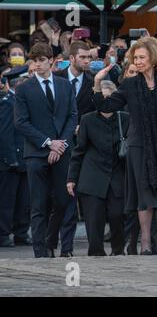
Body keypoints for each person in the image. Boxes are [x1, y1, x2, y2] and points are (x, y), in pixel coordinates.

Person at [92, 37, 157, 255]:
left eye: (142, 57)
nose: (138, 61)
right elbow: (106, 107)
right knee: (144, 192)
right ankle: (145, 240)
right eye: (135, 57)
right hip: (140, 145)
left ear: (153, 57)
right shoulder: (130, 84)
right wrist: (98, 82)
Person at [14, 43, 77, 258]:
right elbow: (21, 122)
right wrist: (49, 143)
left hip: (62, 151)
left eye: (42, 60)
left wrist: (61, 145)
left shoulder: (65, 86)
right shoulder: (24, 88)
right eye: (35, 60)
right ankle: (40, 252)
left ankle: (57, 245)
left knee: (63, 201)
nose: (38, 64)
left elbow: (72, 117)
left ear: (51, 60)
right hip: (36, 154)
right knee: (39, 205)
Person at [67, 94, 128, 256]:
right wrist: (71, 179)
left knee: (117, 215)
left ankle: (118, 250)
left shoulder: (125, 118)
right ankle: (96, 252)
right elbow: (79, 150)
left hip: (117, 176)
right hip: (92, 176)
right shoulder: (87, 119)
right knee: (94, 220)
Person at [54, 40, 95, 257]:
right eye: (83, 57)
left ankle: (79, 248)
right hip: (60, 145)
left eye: (89, 57)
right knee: (62, 200)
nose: (87, 61)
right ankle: (57, 245)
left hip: (85, 149)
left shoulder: (93, 81)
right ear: (71, 58)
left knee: (82, 198)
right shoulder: (57, 80)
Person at [0, 65, 31, 247]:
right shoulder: (7, 102)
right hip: (10, 160)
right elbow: (5, 133)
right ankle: (3, 233)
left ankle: (21, 232)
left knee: (23, 201)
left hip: (23, 158)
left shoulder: (20, 100)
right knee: (7, 200)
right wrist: (10, 158)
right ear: (18, 82)